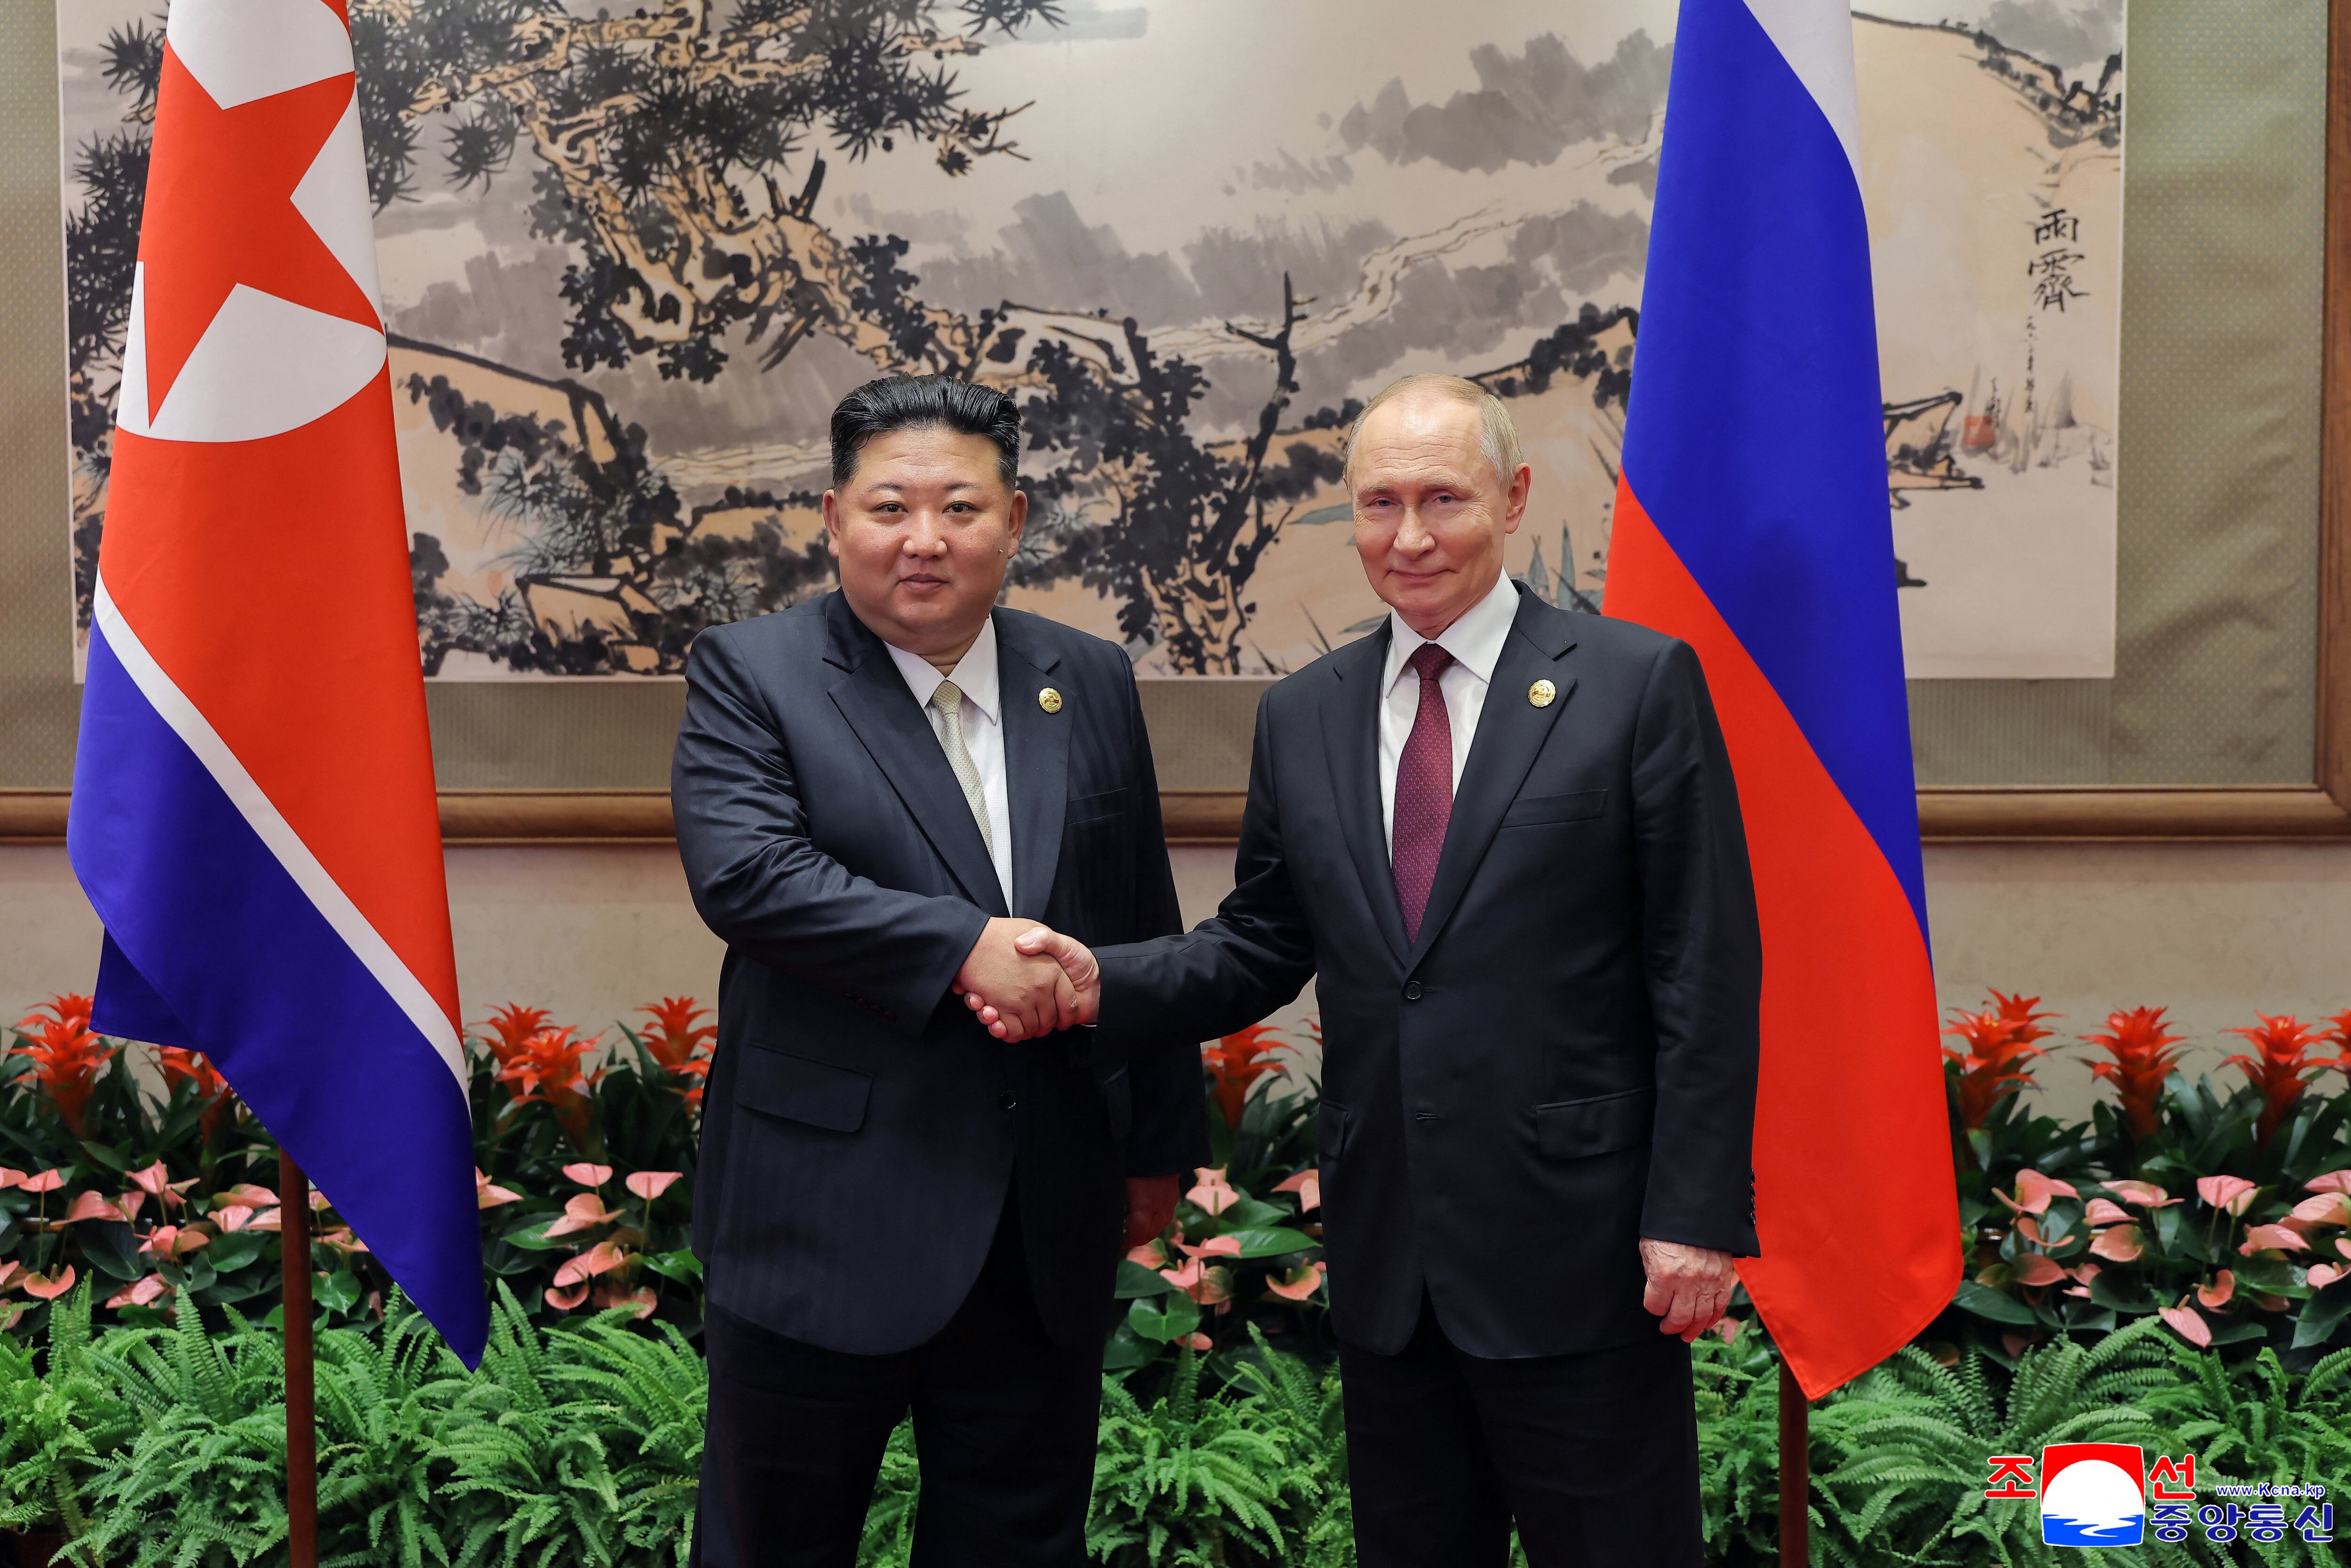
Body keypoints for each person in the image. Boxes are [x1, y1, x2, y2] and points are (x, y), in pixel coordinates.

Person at [964, 374, 1762, 1567]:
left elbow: (1703, 965)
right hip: (1392, 1251)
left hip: (1582, 1249)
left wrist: (1692, 1217)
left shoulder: (1634, 684)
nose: (1410, 537)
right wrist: (1095, 983)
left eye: (1444, 498)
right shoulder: (1306, 713)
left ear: (1514, 496)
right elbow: (1265, 937)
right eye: (1379, 503)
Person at [671, 374, 1206, 1568]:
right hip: (823, 1217)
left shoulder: (1090, 676)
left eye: (961, 508)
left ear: (1014, 522)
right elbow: (749, 878)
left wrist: (1159, 1146)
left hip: (1041, 1209)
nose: (925, 540)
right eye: (890, 507)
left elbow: (1138, 914)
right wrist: (964, 946)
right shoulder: (753, 672)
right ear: (832, 517)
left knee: (1019, 1541)